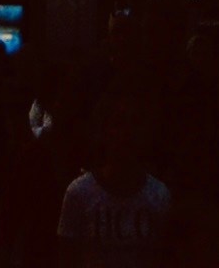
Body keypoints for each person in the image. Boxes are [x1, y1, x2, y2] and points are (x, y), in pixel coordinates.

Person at [56, 98, 174, 259]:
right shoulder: (79, 193)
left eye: (134, 124)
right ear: (105, 132)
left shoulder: (158, 195)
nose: (126, 133)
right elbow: (66, 256)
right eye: (119, 124)